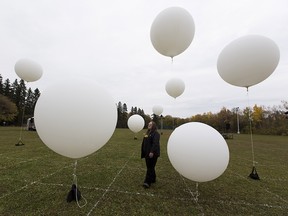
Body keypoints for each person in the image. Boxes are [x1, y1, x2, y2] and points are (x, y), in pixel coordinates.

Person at [141, 121, 160, 188]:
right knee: (150, 167)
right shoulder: (147, 133)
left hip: (152, 154)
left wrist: (151, 152)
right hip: (147, 153)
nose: (149, 125)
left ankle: (147, 182)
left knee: (150, 167)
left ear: (153, 126)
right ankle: (153, 178)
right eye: (148, 124)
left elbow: (155, 144)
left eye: (150, 124)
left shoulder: (156, 134)